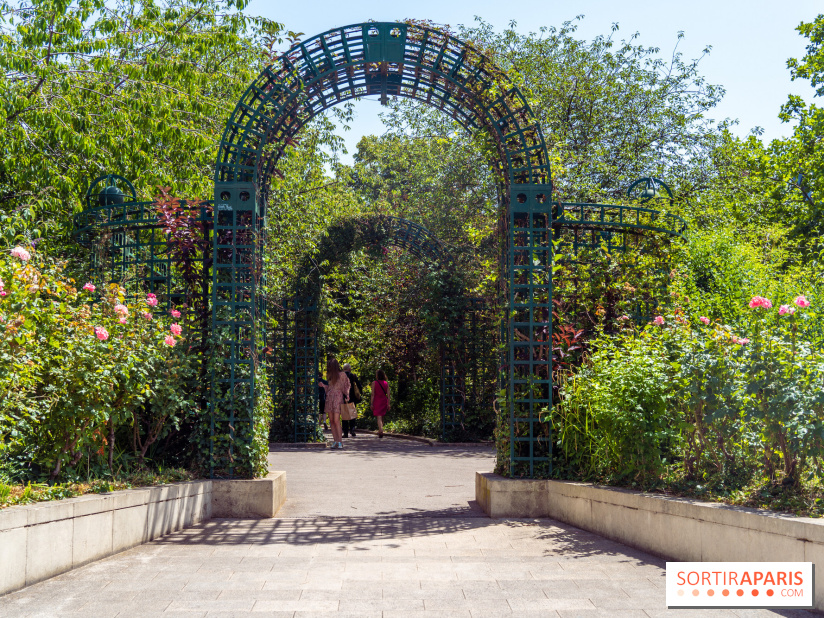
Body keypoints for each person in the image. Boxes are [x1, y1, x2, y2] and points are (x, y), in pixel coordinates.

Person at [318, 357, 349, 449]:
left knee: (336, 420)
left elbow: (346, 385)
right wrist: (324, 386)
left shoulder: (342, 374)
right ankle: (335, 441)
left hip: (337, 398)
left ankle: (340, 441)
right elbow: (329, 389)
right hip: (330, 398)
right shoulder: (330, 376)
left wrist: (347, 394)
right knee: (331, 421)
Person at [342, 363, 362, 438]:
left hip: (344, 397)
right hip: (352, 397)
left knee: (344, 415)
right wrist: (360, 393)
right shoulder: (353, 376)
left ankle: (346, 432)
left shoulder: (341, 376)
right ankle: (352, 429)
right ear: (349, 369)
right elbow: (359, 385)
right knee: (352, 414)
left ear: (344, 369)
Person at [370, 369, 390, 438]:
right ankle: (380, 429)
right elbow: (388, 395)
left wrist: (371, 403)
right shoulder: (386, 383)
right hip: (384, 400)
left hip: (377, 401)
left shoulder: (374, 383)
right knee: (382, 416)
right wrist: (389, 403)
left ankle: (381, 430)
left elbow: (373, 394)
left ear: (377, 375)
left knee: (379, 416)